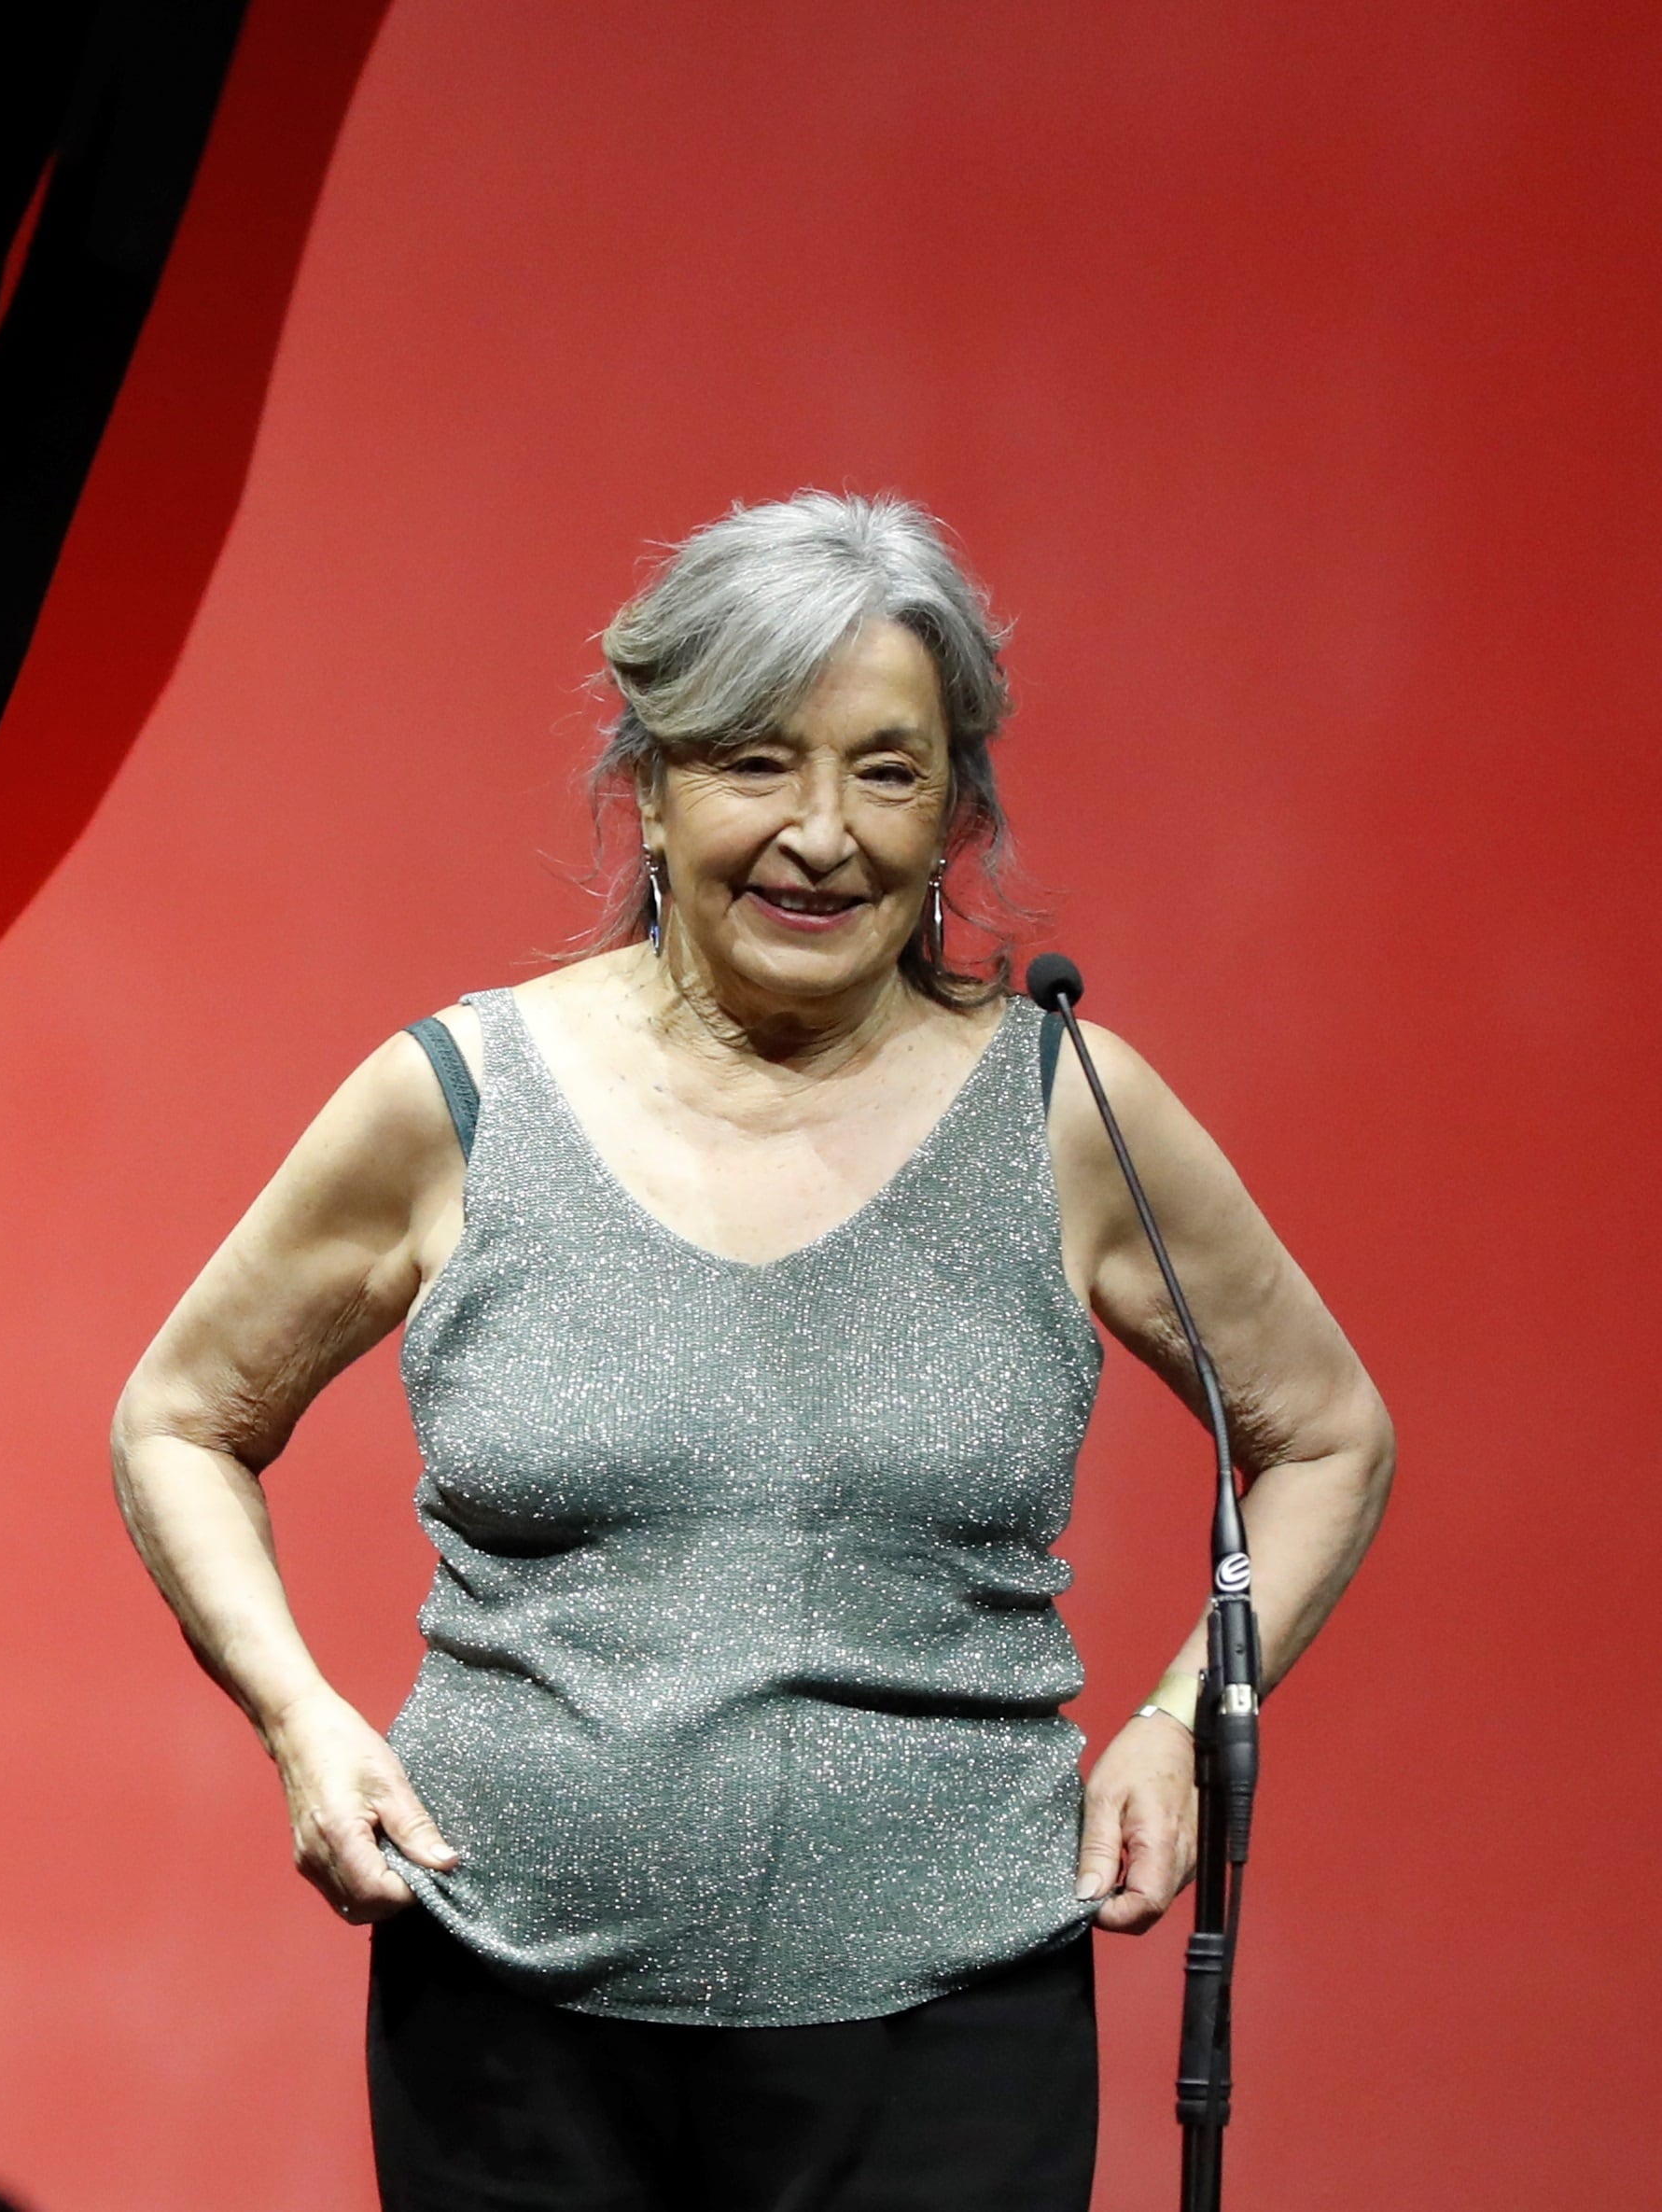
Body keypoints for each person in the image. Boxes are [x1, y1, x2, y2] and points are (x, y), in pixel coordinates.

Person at [110, 495, 1394, 2211]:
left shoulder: (1067, 1111)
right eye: (753, 762)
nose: (821, 834)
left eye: (887, 770)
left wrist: (1179, 1717)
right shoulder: (461, 1099)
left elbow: (1324, 1430)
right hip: (508, 2013)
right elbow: (182, 1414)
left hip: (953, 2029)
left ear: (957, 812)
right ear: (647, 787)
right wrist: (299, 1716)